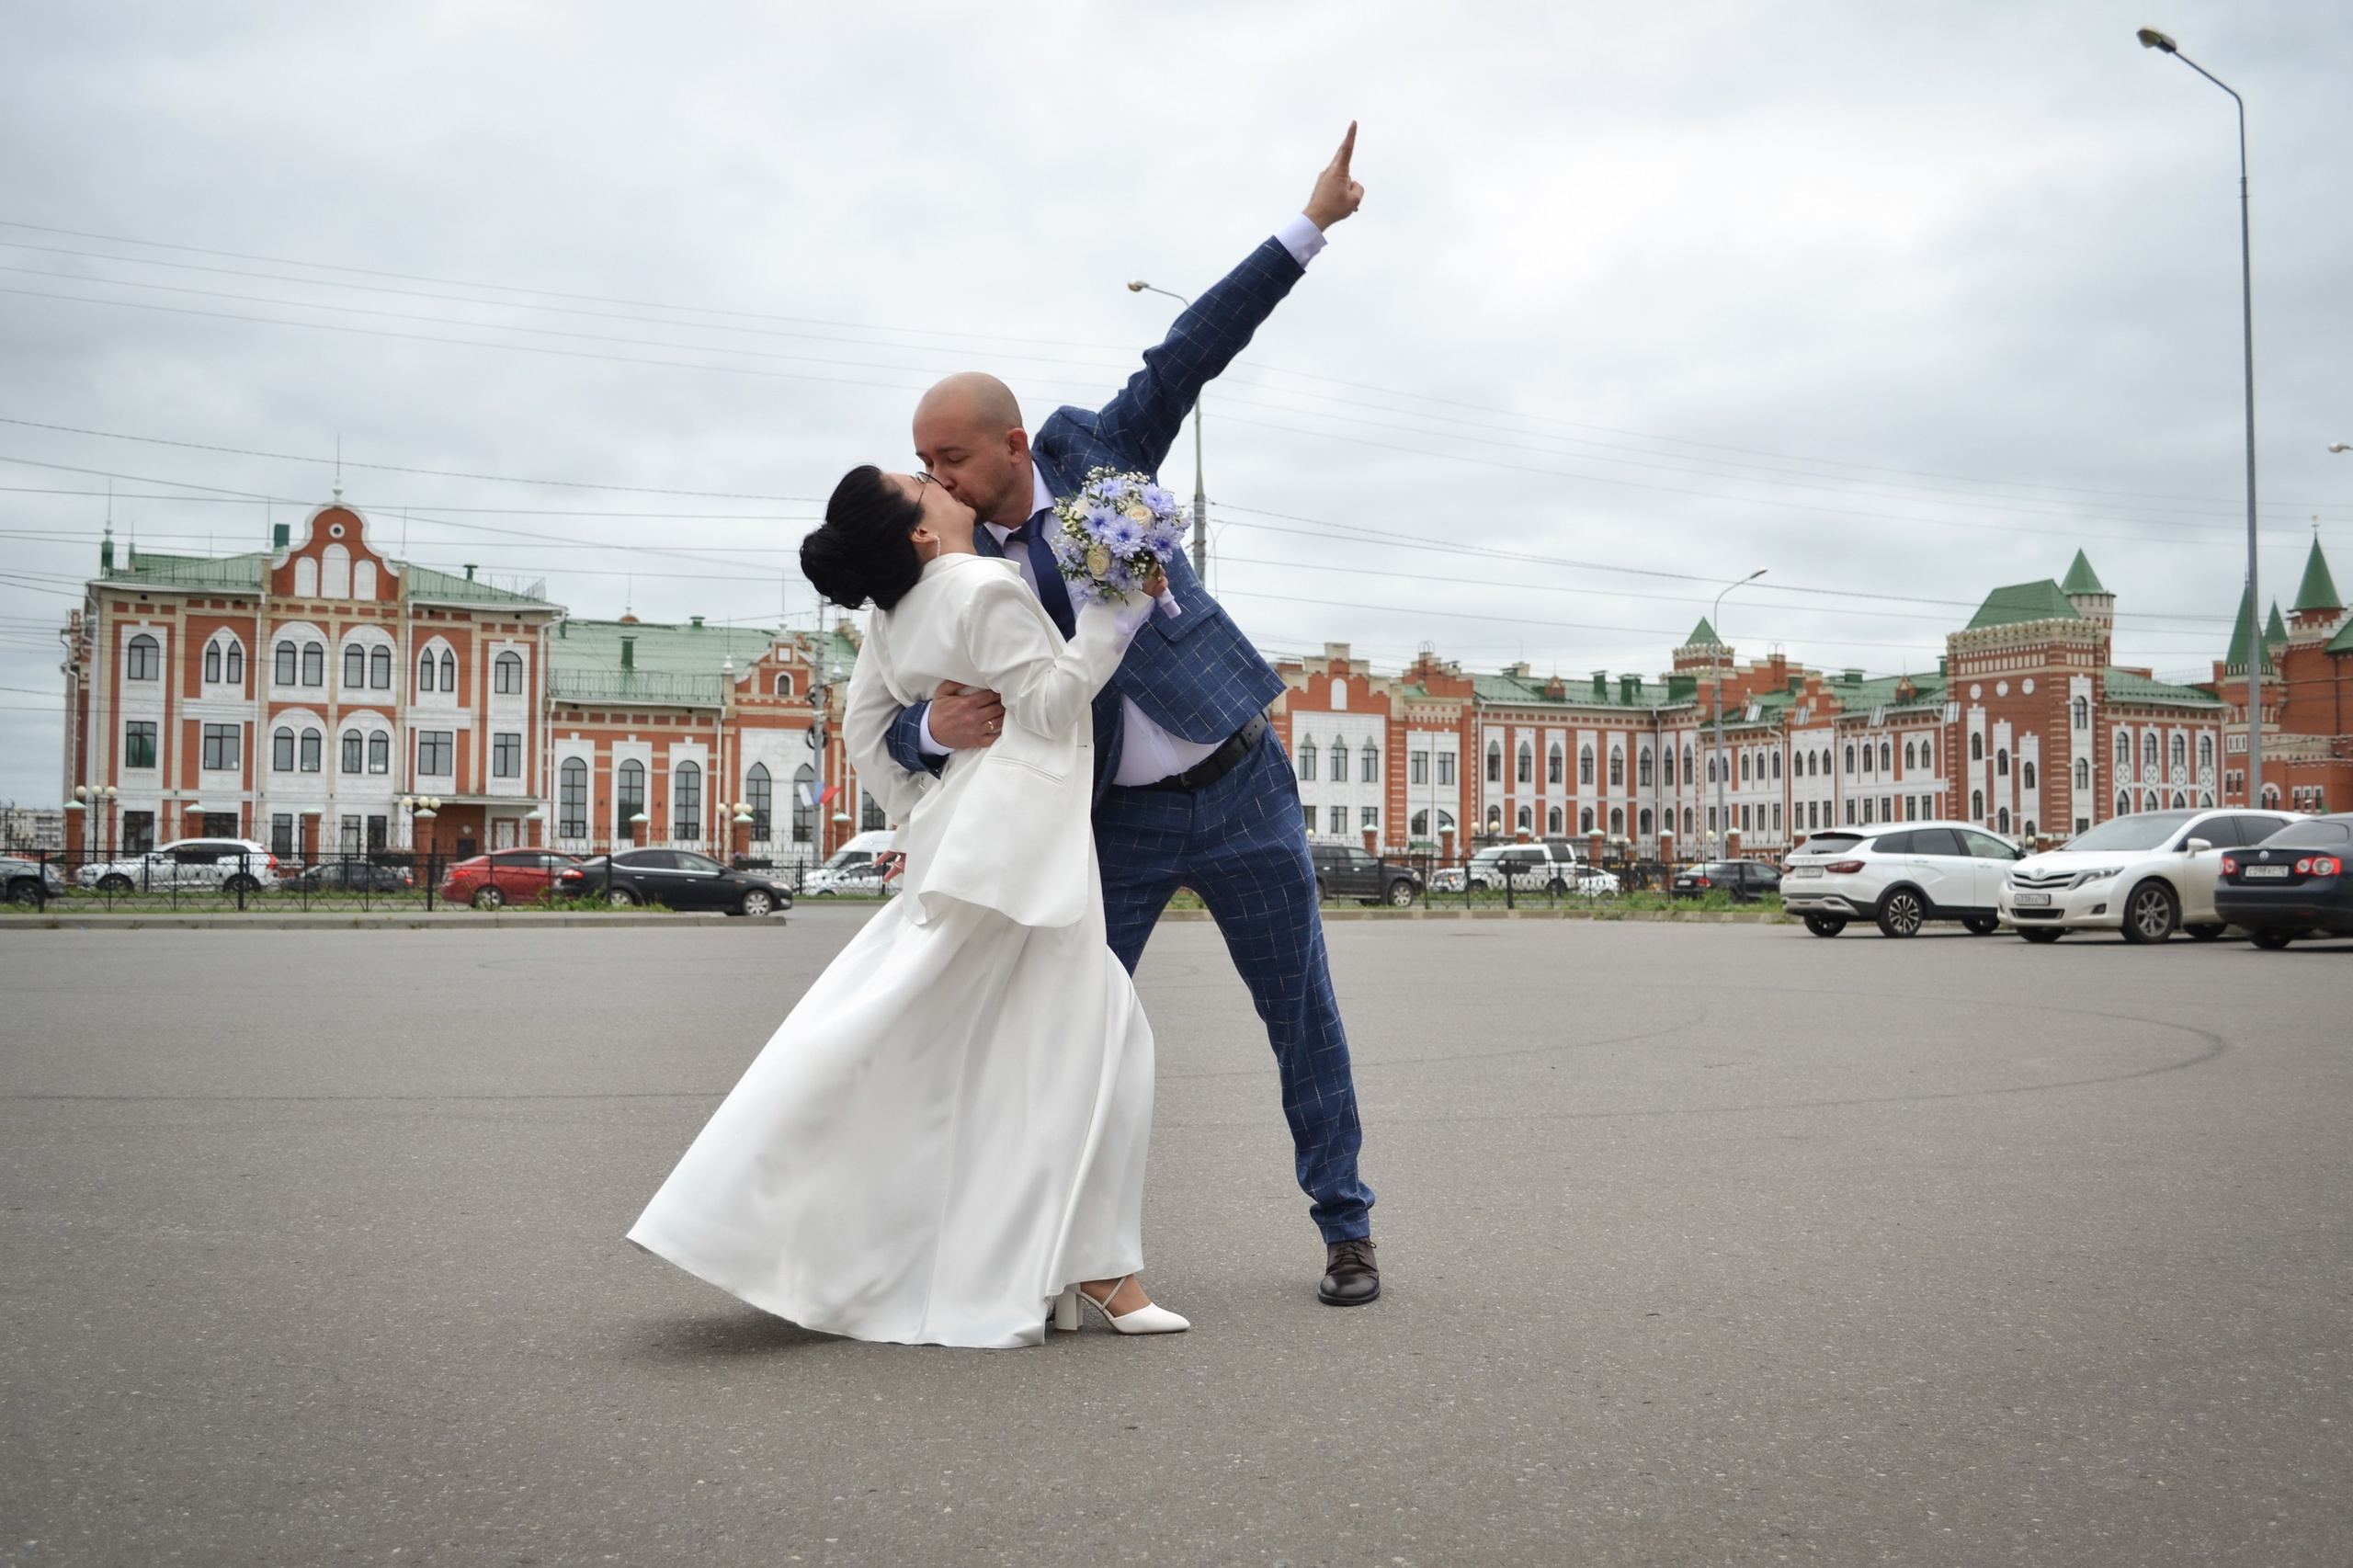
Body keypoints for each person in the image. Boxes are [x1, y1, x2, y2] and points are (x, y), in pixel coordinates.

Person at [866, 124, 1381, 1306]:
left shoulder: (1097, 453)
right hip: (1113, 826)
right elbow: (891, 710)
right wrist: (936, 731)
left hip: (1241, 774)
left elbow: (1192, 349)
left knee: (1300, 1010)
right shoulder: (939, 575)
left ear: (1010, 444)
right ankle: (1048, 1251)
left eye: (949, 457)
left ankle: (1346, 1227)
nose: (933, 478)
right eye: (918, 462)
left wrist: (1310, 224)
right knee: (1070, 1034)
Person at [628, 466, 1187, 1348]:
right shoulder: (982, 588)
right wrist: (1114, 618)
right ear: (922, 533)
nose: (932, 478)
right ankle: (1089, 1270)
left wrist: (919, 803)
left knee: (1008, 1047)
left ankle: (1072, 1266)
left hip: (972, 838)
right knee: (1081, 1043)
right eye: (916, 482)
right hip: (1019, 843)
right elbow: (1047, 706)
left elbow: (861, 732)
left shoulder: (892, 616)